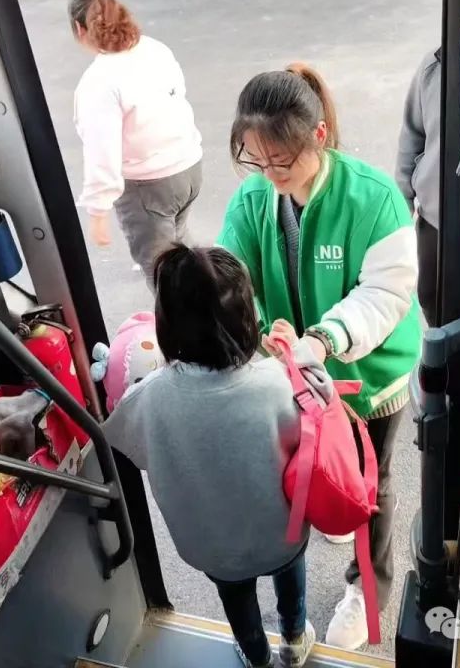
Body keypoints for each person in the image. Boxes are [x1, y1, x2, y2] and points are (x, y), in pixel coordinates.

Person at [217, 64, 421, 650]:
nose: (269, 174)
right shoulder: (255, 195)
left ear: (320, 138)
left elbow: (383, 294)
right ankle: (339, 514)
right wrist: (258, 330)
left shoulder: (374, 198)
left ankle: (368, 588)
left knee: (370, 486)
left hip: (365, 375)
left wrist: (325, 340)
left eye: (281, 161)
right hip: (293, 375)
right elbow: (234, 277)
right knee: (315, 470)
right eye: (256, 159)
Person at [101, 244, 320, 668]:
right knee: (290, 579)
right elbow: (306, 436)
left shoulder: (149, 398)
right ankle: (294, 639)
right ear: (247, 322)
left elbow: (131, 445)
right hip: (283, 533)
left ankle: (257, 655)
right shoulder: (278, 383)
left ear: (165, 328)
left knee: (237, 600)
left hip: (213, 546)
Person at [69, 0, 203, 285]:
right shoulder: (155, 48)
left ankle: (189, 328)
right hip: (188, 169)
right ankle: (213, 308)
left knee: (165, 279)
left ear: (80, 29)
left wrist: (98, 213)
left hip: (150, 187)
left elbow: (101, 151)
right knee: (185, 258)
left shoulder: (99, 82)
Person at [395, 47, 442, 326]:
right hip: (434, 220)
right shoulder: (435, 65)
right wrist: (402, 204)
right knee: (430, 298)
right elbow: (413, 135)